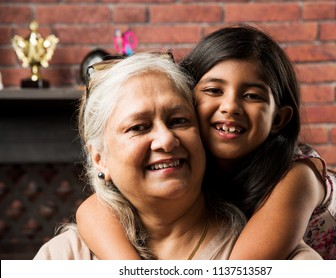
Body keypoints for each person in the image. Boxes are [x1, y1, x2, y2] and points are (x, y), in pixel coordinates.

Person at [77, 25, 336, 260]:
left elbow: (240, 269)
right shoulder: (189, 159)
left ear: (279, 119)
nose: (230, 107)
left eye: (252, 96)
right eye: (214, 90)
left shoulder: (298, 177)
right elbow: (92, 210)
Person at [33, 52, 248, 260]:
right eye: (138, 127)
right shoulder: (64, 257)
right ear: (100, 159)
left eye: (179, 120)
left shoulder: (254, 247)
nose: (166, 140)